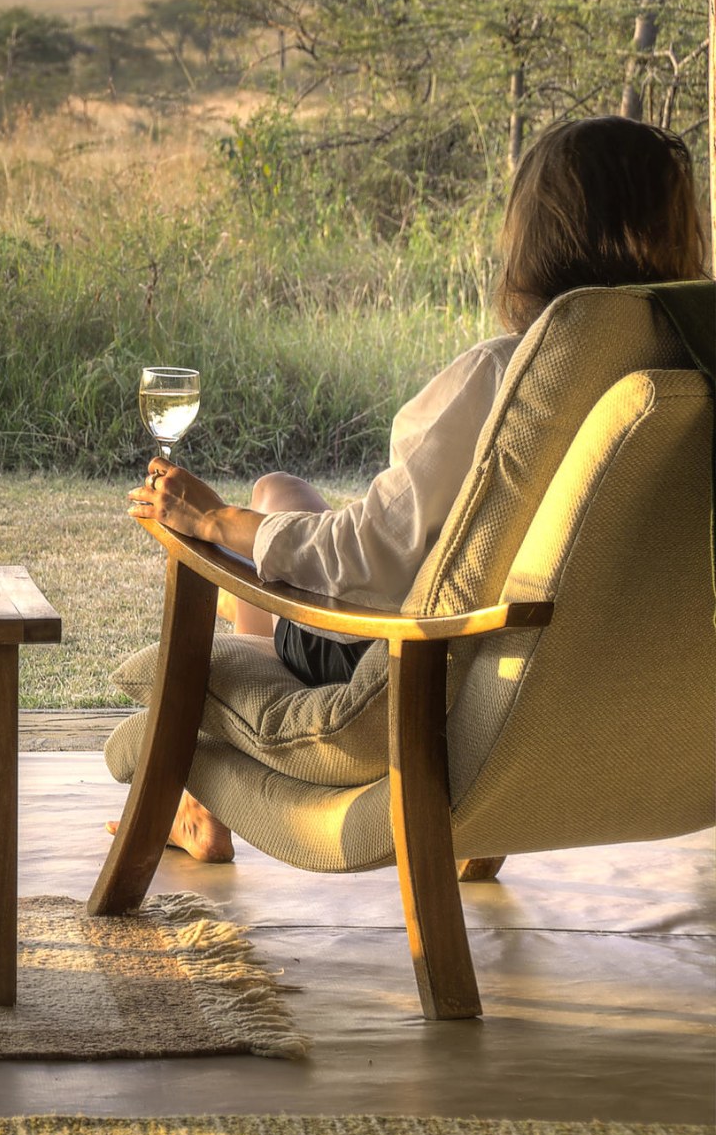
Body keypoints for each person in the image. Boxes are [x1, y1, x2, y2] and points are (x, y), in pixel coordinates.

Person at [122, 115, 711, 863]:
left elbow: (371, 555)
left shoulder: (516, 376)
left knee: (269, 500)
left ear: (535, 237)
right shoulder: (682, 371)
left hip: (424, 667)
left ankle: (202, 804)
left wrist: (215, 522)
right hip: (571, 691)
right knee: (283, 494)